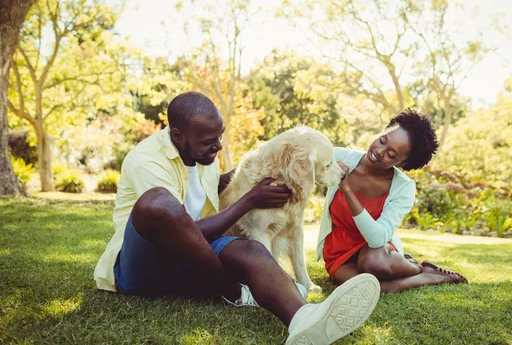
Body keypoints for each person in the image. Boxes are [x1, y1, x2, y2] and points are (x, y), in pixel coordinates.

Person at [94, 91, 381, 345]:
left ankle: (304, 319)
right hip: (143, 269)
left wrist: (253, 170)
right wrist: (250, 200)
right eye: (210, 141)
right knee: (158, 202)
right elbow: (178, 228)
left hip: (192, 259)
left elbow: (206, 187)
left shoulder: (202, 150)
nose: (218, 146)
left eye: (219, 136)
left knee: (251, 247)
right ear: (178, 135)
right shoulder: (147, 160)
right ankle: (235, 292)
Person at [317, 109, 468, 292]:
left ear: (403, 163)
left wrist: (346, 189)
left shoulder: (403, 187)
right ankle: (425, 275)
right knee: (367, 288)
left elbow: (377, 238)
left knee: (373, 264)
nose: (380, 151)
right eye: (382, 140)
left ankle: (414, 267)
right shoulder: (340, 156)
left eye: (392, 155)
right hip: (339, 250)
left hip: (376, 250)